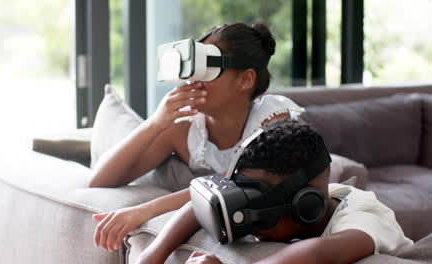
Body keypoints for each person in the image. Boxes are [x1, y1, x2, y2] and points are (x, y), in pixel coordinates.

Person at [88, 23, 306, 252]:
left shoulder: (271, 120)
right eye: (192, 68)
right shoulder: (185, 130)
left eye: (206, 68)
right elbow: (100, 180)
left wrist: (144, 210)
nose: (193, 80)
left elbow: (234, 182)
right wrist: (155, 123)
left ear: (245, 80)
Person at [137, 120, 414, 264]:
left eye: (261, 214)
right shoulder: (268, 201)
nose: (249, 220)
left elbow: (321, 255)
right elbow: (202, 206)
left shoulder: (362, 218)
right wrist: (153, 255)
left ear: (306, 206)